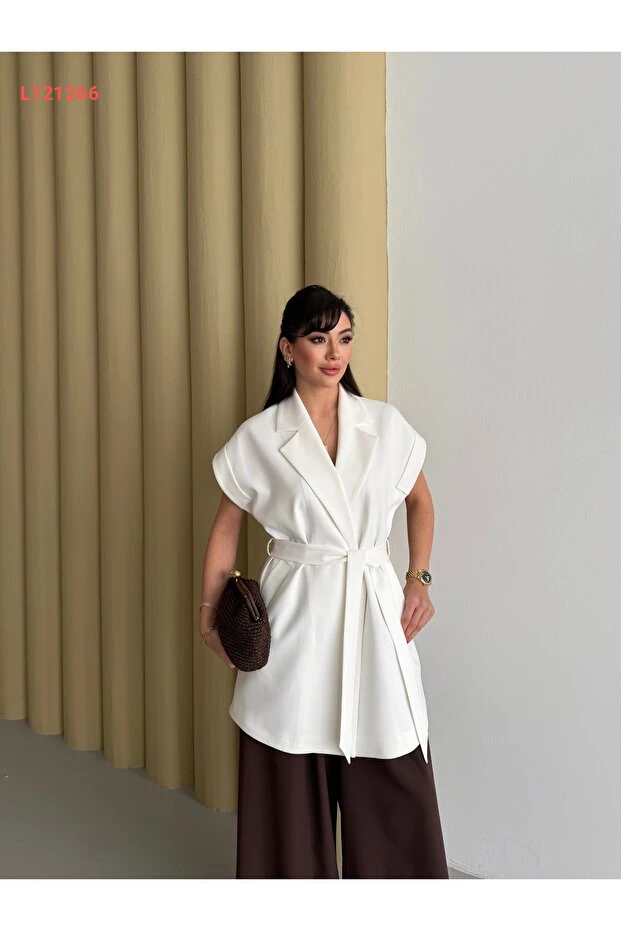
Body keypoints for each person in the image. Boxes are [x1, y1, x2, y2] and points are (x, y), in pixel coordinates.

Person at [200, 284, 449, 879]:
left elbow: (420, 501)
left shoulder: (385, 426)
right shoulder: (260, 436)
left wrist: (418, 578)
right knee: (289, 751)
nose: (335, 353)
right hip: (295, 614)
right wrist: (210, 615)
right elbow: (226, 525)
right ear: (288, 348)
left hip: (372, 607)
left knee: (390, 746)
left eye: (344, 338)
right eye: (318, 339)